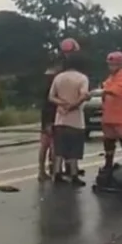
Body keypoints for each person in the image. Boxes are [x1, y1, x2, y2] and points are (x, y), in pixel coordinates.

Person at [48, 52, 90, 186]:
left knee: (59, 149)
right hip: (76, 120)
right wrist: (72, 106)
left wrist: (61, 104)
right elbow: (83, 95)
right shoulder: (82, 78)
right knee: (74, 149)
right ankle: (73, 175)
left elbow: (51, 96)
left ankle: (57, 173)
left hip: (60, 119)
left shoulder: (59, 77)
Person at [38, 65, 60, 181]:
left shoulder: (46, 89)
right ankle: (53, 170)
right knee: (52, 147)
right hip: (51, 120)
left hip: (46, 120)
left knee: (45, 146)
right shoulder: (52, 90)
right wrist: (49, 123)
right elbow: (50, 108)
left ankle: (42, 171)